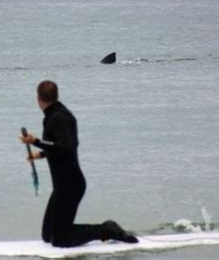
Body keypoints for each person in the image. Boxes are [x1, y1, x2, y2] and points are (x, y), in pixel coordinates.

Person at [20, 80, 138, 248]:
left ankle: (107, 229)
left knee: (60, 240)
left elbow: (66, 147)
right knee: (48, 236)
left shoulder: (57, 118)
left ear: (38, 98)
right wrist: (41, 154)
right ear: (56, 96)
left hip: (70, 186)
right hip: (62, 186)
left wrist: (36, 141)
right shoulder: (59, 115)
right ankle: (92, 230)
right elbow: (61, 147)